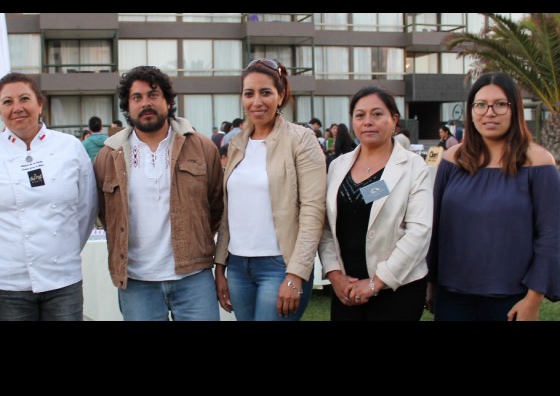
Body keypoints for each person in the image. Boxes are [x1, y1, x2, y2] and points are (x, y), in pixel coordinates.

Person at [0, 72, 97, 321]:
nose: (17, 108)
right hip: (4, 281)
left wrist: (63, 249)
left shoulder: (70, 147)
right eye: (7, 102)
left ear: (40, 103)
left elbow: (87, 209)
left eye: (24, 98)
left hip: (62, 277)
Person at [93, 65, 223, 321]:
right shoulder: (108, 156)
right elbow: (105, 213)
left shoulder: (201, 146)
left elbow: (217, 204)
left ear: (168, 100)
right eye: (137, 98)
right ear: (127, 106)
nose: (146, 103)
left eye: (153, 95)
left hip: (193, 277)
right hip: (137, 281)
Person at [427, 72, 560, 321]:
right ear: (471, 111)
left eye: (500, 104)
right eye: (481, 105)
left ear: (515, 109)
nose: (489, 112)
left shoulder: (540, 163)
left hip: (512, 298)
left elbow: (551, 235)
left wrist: (534, 299)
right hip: (452, 296)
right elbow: (437, 226)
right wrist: (431, 281)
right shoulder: (451, 160)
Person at [215, 58, 326, 321]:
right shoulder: (237, 143)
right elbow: (229, 211)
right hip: (239, 266)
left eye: (265, 92)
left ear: (281, 95)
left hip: (280, 266)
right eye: (249, 93)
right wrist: (220, 266)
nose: (257, 101)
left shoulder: (301, 139)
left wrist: (296, 273)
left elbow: (313, 211)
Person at [318, 86, 432, 321]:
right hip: (346, 289)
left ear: (394, 120)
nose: (367, 121)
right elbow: (326, 228)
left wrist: (375, 283)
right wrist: (335, 275)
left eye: (377, 114)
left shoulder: (413, 166)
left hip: (397, 288)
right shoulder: (338, 166)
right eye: (360, 115)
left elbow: (419, 232)